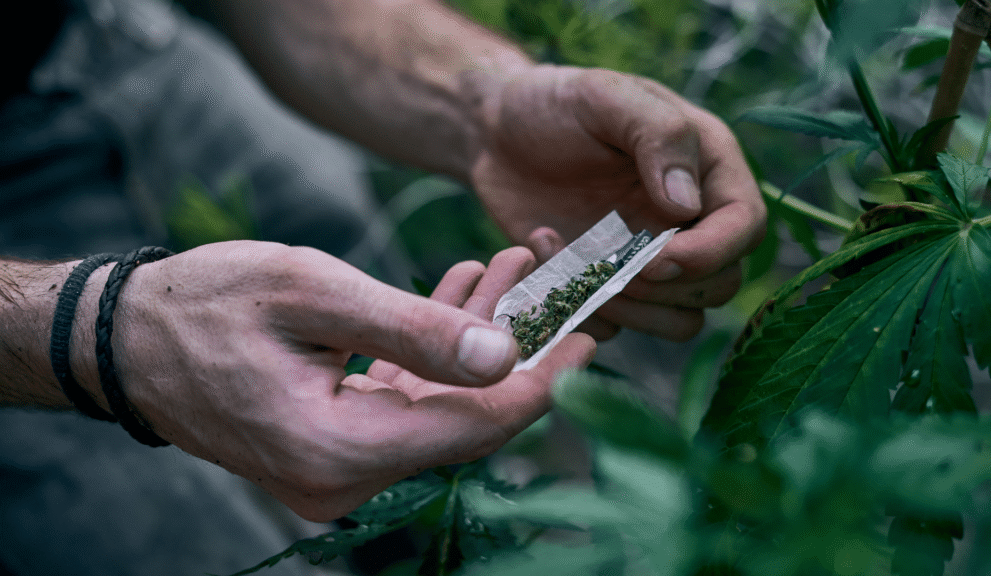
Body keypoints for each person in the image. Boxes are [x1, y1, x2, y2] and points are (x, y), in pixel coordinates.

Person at [0, 0, 765, 573]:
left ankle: (442, 532)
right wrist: (89, 331)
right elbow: (98, 334)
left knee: (357, 286)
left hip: (108, 31)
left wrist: (487, 103)